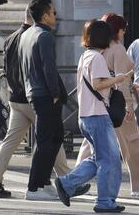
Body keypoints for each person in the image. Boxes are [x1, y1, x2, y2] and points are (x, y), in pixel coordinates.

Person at [0, 8, 72, 198]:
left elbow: (6, 70)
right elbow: (39, 69)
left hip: (15, 96)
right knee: (48, 138)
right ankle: (67, 180)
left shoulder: (10, 39)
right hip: (32, 98)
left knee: (11, 140)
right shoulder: (34, 36)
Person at [55, 20, 131, 213]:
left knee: (100, 157)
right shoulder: (97, 58)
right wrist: (119, 79)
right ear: (104, 38)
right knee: (110, 160)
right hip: (97, 115)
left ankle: (67, 184)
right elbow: (98, 84)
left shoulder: (85, 56)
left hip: (86, 115)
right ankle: (105, 201)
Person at [78, 13, 139, 197]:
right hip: (117, 105)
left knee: (90, 146)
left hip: (96, 105)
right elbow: (121, 81)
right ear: (117, 31)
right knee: (132, 145)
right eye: (123, 29)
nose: (124, 33)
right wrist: (129, 105)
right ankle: (137, 186)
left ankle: (75, 181)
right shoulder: (117, 49)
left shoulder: (92, 53)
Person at [20, 0, 66, 200]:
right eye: (54, 12)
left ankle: (43, 183)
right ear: (45, 15)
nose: (56, 16)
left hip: (34, 92)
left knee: (54, 137)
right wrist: (55, 93)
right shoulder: (45, 36)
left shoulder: (26, 35)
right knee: (46, 141)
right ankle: (34, 187)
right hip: (46, 94)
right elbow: (49, 67)